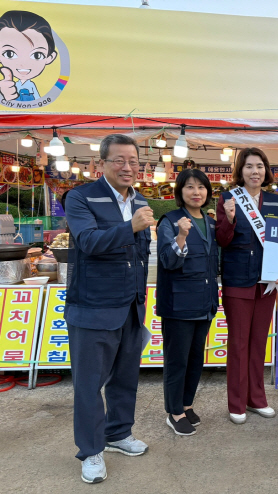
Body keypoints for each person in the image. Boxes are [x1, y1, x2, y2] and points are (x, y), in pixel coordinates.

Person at [64, 134, 152, 484]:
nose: (128, 167)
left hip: (131, 306)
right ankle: (91, 450)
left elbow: (140, 255)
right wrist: (129, 227)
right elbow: (87, 242)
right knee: (89, 384)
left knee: (125, 377)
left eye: (133, 160)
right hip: (93, 306)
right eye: (119, 160)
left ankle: (118, 433)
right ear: (101, 163)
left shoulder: (141, 199)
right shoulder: (81, 197)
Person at [215, 147, 278, 424]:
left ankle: (257, 399)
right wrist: (230, 219)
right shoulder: (228, 198)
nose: (254, 171)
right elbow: (222, 240)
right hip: (238, 281)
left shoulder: (274, 201)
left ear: (266, 170)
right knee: (239, 344)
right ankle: (236, 403)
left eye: (259, 166)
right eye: (248, 166)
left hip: (266, 284)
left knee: (259, 343)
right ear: (240, 171)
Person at [156, 169, 219, 436]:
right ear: (180, 192)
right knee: (177, 360)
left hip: (204, 302)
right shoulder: (169, 221)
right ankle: (174, 411)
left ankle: (187, 404)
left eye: (201, 187)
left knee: (195, 358)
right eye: (190, 187)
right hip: (178, 304)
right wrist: (181, 236)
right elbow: (168, 261)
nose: (197, 192)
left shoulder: (211, 221)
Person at [0, 10, 58, 101]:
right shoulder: (10, 85)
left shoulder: (31, 86)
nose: (23, 64)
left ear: (50, 58)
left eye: (37, 55)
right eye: (9, 54)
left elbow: (37, 102)